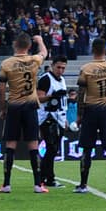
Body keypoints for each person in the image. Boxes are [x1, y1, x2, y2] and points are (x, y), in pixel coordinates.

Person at [73, 39, 106, 194]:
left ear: (92, 50)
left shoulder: (86, 68)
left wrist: (79, 115)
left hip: (90, 110)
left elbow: (81, 94)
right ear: (105, 51)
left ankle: (83, 185)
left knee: (87, 149)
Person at [0, 32, 49, 194]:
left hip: (14, 106)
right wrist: (40, 40)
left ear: (14, 45)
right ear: (28, 47)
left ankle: (6, 184)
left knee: (10, 145)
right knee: (33, 145)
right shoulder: (34, 60)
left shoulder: (7, 63)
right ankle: (37, 184)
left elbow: (1, 88)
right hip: (30, 106)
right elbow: (44, 53)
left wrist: (2, 108)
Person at [36, 57, 69, 187]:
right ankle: (47, 178)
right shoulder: (45, 79)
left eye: (63, 68)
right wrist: (52, 96)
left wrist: (64, 119)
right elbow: (39, 98)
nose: (61, 70)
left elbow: (63, 102)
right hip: (47, 117)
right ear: (52, 65)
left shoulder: (62, 80)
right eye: (58, 67)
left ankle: (45, 177)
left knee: (54, 149)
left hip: (59, 118)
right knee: (51, 148)